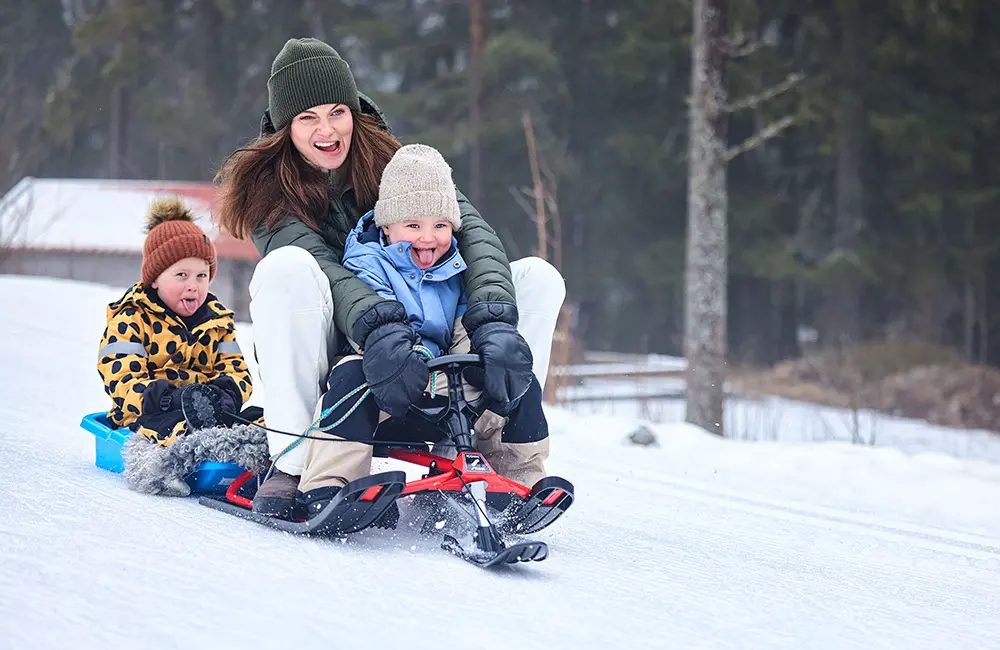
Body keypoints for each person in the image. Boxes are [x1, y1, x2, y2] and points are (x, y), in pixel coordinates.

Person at [213, 37, 565, 518]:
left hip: (436, 342)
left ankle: (491, 453)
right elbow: (327, 269)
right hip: (344, 346)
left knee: (538, 278)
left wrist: (493, 321)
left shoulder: (398, 166)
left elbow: (472, 232)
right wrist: (382, 328)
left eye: (337, 111)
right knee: (285, 270)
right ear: (284, 126)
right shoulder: (267, 192)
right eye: (308, 118)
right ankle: (296, 462)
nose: (327, 130)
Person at [286, 143, 550, 519]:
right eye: (413, 225)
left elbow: (465, 321)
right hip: (384, 377)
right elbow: (373, 313)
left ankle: (518, 483)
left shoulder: (457, 267)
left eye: (440, 226)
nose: (428, 238)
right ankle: (331, 485)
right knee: (351, 381)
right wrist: (405, 354)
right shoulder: (366, 261)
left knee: (518, 383)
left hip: (442, 381)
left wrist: (482, 353)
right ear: (386, 226)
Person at [97, 198, 267, 496]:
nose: (194, 285)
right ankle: (162, 468)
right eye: (181, 276)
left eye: (202, 276)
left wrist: (227, 395)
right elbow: (121, 376)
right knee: (168, 427)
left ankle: (266, 462)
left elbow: (236, 370)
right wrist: (166, 399)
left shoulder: (217, 321)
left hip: (209, 408)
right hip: (148, 412)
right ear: (155, 281)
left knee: (263, 419)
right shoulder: (132, 317)